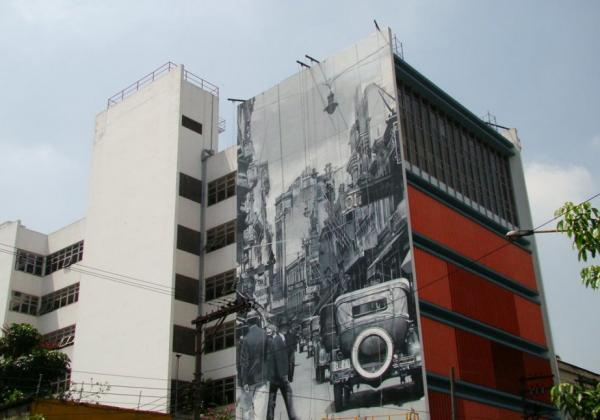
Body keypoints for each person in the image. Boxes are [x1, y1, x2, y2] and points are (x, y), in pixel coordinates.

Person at [239, 313, 268, 420]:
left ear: (247, 323)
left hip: (250, 380)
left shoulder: (245, 340)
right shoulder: (264, 334)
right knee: (259, 411)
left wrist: (244, 381)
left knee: (246, 410)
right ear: (257, 321)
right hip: (262, 377)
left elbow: (244, 362)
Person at [266, 324, 299, 420]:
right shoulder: (278, 340)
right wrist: (284, 374)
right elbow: (282, 357)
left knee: (272, 399)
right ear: (275, 331)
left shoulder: (268, 342)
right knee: (288, 393)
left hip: (272, 377)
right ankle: (292, 416)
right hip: (280, 375)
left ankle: (269, 417)